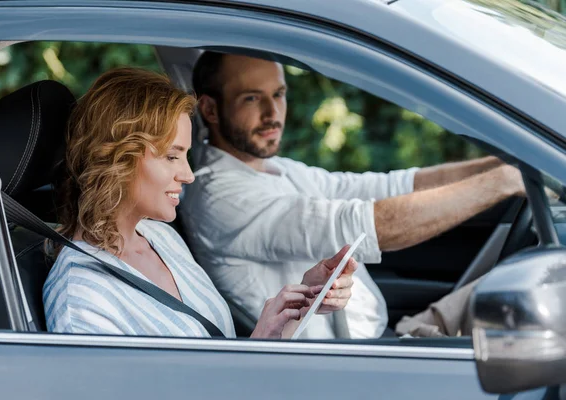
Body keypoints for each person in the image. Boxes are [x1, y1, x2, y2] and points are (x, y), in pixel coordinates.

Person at [179, 52, 526, 339]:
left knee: (526, 284)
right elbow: (361, 227)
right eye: (252, 98)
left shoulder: (275, 169)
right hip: (354, 369)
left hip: (389, 339)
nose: (273, 113)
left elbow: (390, 187)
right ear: (210, 109)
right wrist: (504, 181)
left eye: (279, 94)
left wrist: (509, 164)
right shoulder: (219, 195)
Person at [42, 67, 357, 339]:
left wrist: (292, 311)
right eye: (172, 156)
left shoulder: (160, 238)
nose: (188, 175)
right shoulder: (80, 297)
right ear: (117, 159)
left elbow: (215, 365)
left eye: (186, 156)